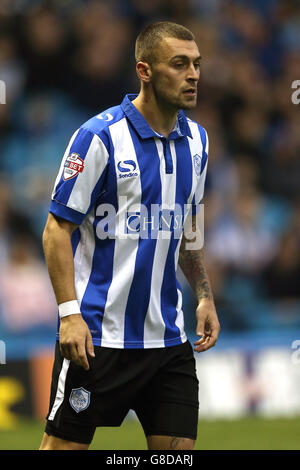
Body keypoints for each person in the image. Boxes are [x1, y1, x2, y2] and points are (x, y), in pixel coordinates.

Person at [39, 21, 220, 451]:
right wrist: (69, 315)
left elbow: (186, 227)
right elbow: (55, 230)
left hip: (168, 341)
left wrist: (205, 295)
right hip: (99, 338)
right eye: (179, 64)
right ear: (145, 70)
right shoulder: (98, 137)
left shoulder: (198, 141)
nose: (193, 74)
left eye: (196, 64)